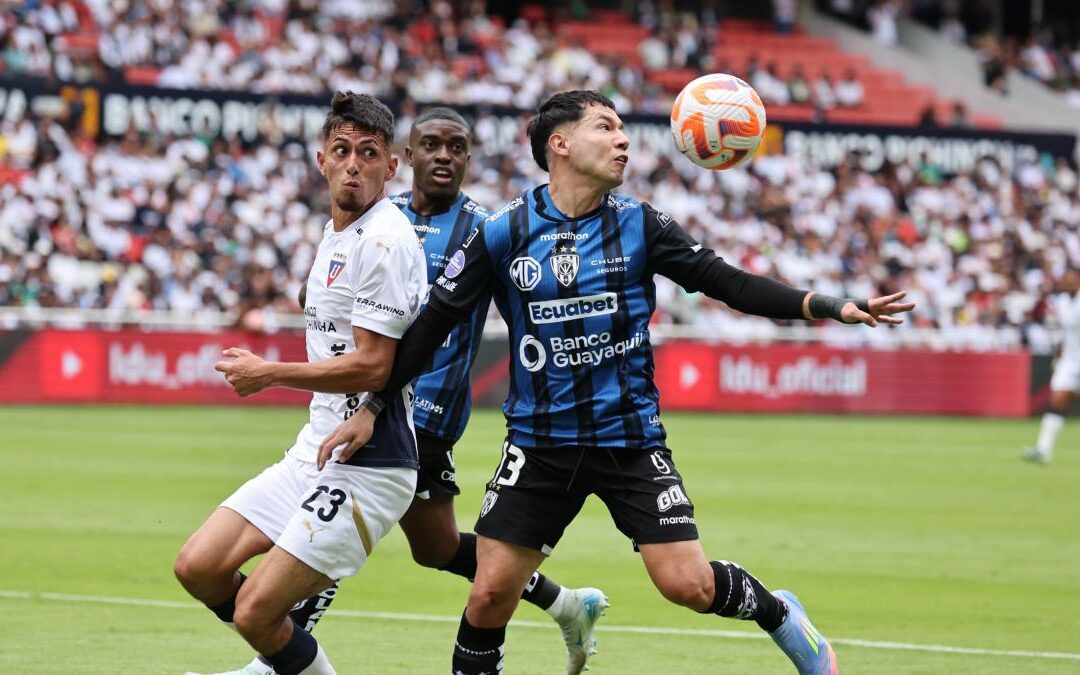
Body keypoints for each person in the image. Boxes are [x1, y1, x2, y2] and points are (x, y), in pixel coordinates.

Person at [321, 90, 915, 674]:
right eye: (605, 127)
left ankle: (781, 614)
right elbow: (432, 326)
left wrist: (830, 306)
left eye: (622, 129)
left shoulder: (640, 224)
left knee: (688, 585)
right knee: (490, 595)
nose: (622, 140)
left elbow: (728, 283)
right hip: (539, 445)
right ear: (560, 144)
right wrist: (374, 406)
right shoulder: (503, 230)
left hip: (629, 441)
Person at [224, 106, 609, 675]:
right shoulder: (383, 216)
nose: (443, 156)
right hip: (367, 401)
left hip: (422, 415)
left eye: (456, 147)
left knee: (327, 525)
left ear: (468, 158)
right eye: (431, 145)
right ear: (408, 156)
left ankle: (272, 663)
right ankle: (566, 603)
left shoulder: (484, 229)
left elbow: (524, 308)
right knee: (435, 548)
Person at [174, 91, 428, 675]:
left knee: (256, 614)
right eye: (342, 151)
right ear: (322, 160)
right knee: (200, 567)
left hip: (372, 464)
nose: (353, 165)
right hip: (315, 449)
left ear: (391, 167)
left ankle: (279, 650)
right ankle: (283, 657)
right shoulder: (336, 231)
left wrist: (270, 373)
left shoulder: (384, 241)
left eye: (369, 153)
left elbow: (373, 366)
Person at [1023, 269, 1080, 465]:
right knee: (1057, 401)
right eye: (1065, 280)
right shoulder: (1062, 301)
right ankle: (1043, 450)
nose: (1067, 283)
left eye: (1071, 280)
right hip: (1070, 360)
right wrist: (1058, 354)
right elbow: (1065, 333)